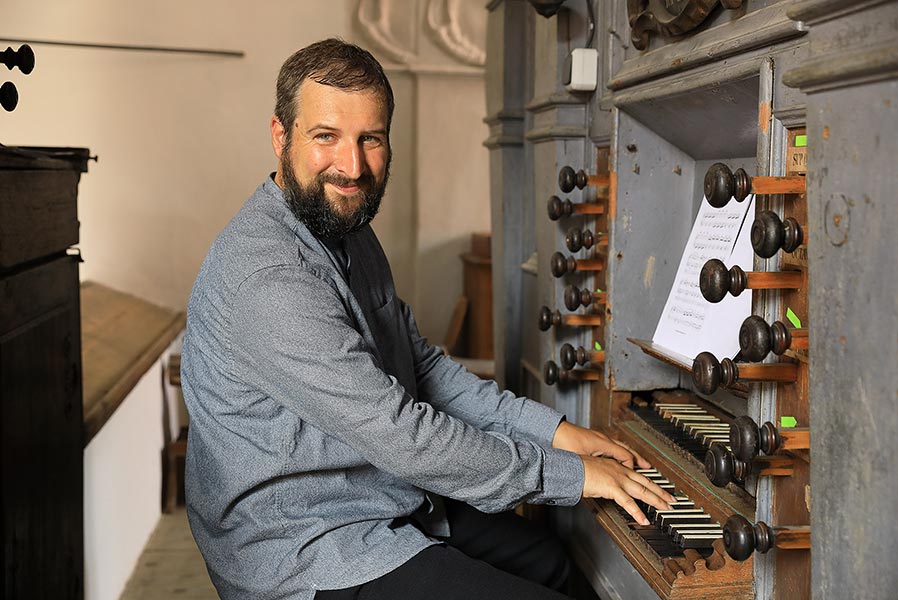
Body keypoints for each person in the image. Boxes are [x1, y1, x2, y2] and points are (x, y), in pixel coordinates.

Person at [181, 38, 674, 600]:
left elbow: (425, 370)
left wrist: (558, 433)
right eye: (326, 137)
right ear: (280, 136)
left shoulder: (348, 231)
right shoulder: (269, 278)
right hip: (306, 548)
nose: (352, 166)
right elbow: (403, 437)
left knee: (552, 563)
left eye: (370, 139)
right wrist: (571, 476)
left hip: (381, 496)